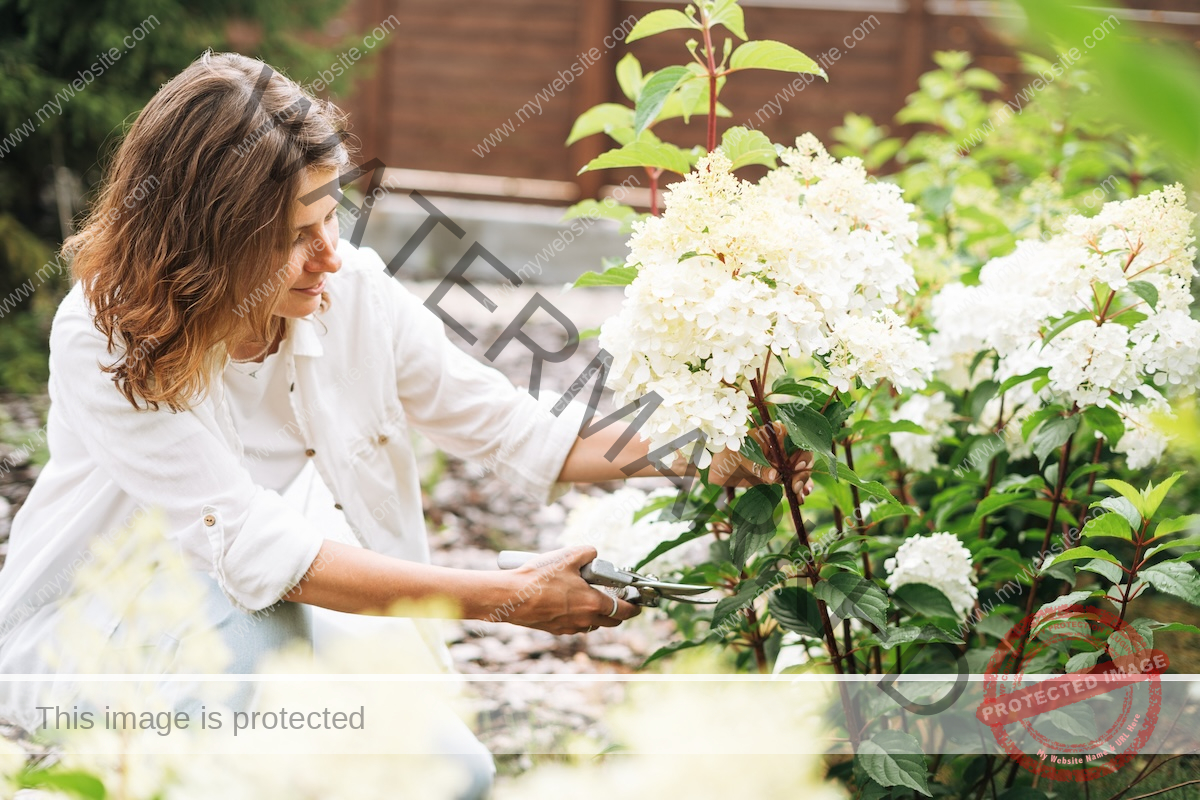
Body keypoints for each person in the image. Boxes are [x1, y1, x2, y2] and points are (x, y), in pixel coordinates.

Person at [0, 51, 813, 791]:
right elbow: (257, 551)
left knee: (455, 776)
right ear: (210, 244)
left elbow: (507, 424)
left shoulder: (350, 290)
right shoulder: (107, 337)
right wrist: (508, 599)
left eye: (332, 216)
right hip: (101, 627)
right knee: (262, 715)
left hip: (275, 611)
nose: (330, 253)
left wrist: (695, 450)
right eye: (293, 237)